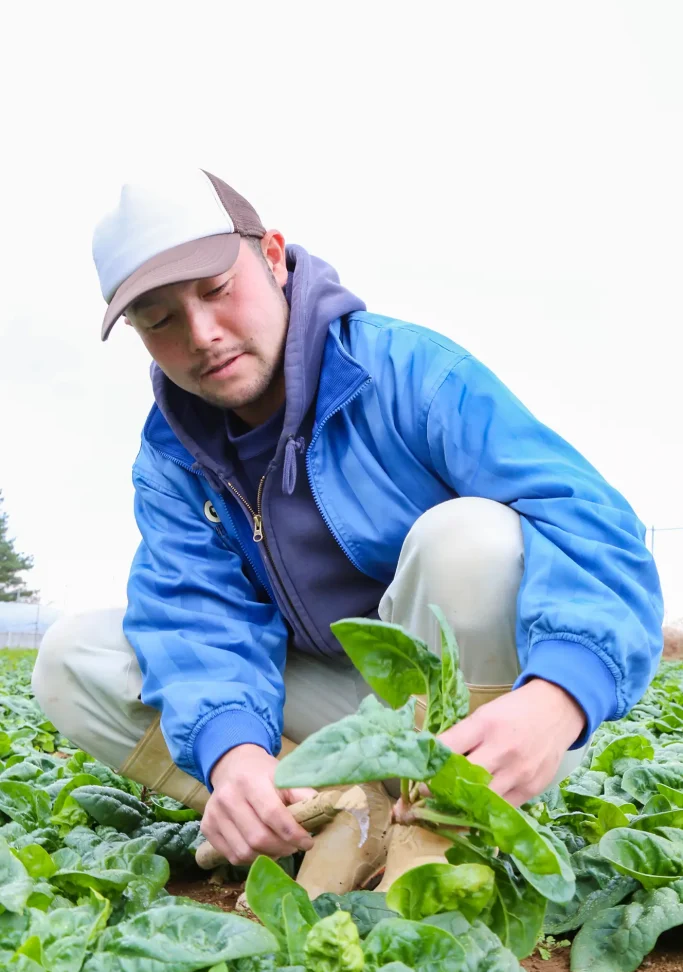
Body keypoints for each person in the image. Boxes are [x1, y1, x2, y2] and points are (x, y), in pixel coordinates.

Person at [33, 168, 663, 893]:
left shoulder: (409, 374)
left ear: (271, 256)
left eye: (215, 290)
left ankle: (448, 823)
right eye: (158, 318)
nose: (201, 335)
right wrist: (233, 753)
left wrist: (559, 696)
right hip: (339, 709)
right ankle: (334, 809)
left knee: (472, 536)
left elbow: (588, 521)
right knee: (72, 658)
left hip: (496, 715)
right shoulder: (173, 456)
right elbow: (193, 610)